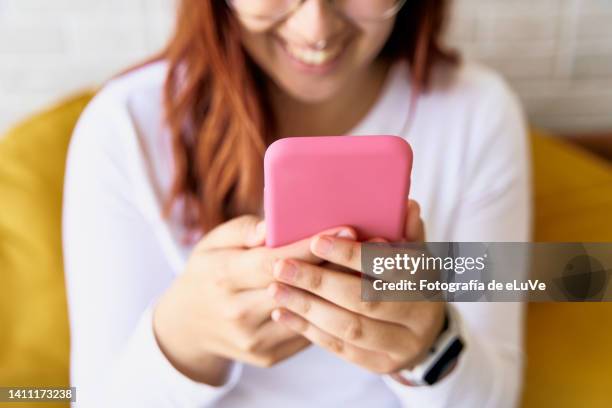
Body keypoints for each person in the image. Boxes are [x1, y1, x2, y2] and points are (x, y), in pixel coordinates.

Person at [63, 0, 530, 406]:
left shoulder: (478, 115)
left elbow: (496, 398)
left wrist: (432, 343)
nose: (316, 30)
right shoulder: (124, 128)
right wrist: (183, 336)